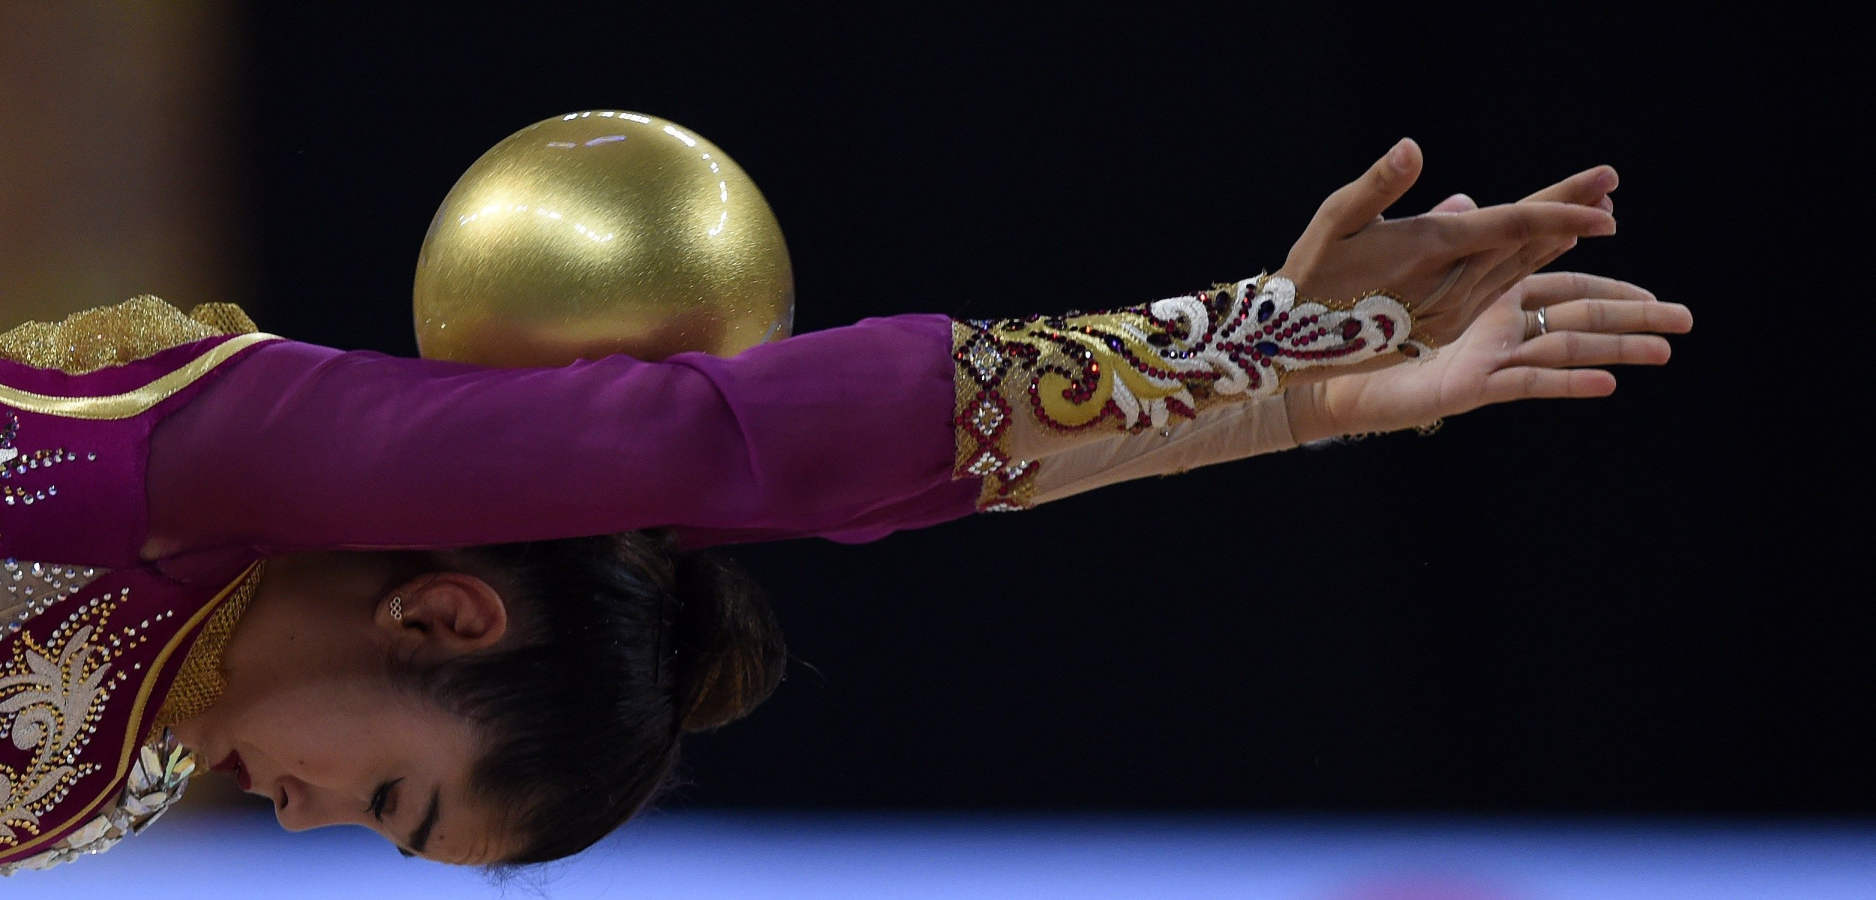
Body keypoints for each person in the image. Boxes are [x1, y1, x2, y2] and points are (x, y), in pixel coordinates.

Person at [0, 141, 1689, 872]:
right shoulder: (222, 468)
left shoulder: (164, 693)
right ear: (442, 618)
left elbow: (802, 501)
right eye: (388, 794)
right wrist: (1256, 347)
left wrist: (1308, 405)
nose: (299, 822)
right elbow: (744, 453)